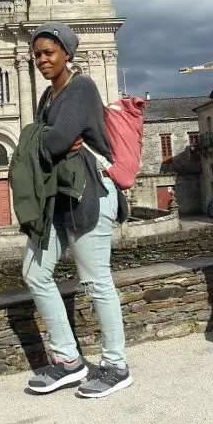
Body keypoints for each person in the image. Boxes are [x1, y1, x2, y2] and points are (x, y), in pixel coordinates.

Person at [17, 22, 131, 398]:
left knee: (96, 280)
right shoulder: (47, 98)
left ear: (67, 53)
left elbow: (55, 142)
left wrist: (37, 137)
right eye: (37, 54)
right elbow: (53, 141)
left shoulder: (82, 87)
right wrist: (46, 138)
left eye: (49, 52)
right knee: (34, 272)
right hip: (56, 197)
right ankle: (69, 361)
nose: (42, 59)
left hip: (89, 194)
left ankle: (116, 365)